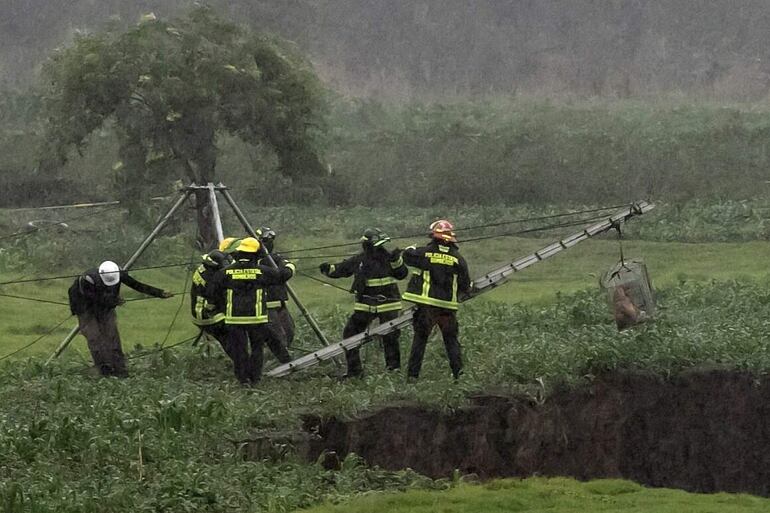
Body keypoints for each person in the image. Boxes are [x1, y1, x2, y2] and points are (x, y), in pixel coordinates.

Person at [320, 228, 408, 378]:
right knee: (350, 335)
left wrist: (397, 261)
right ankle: (355, 372)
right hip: (365, 306)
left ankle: (393, 371)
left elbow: (402, 274)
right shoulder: (360, 260)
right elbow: (342, 269)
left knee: (390, 338)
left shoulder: (389, 258)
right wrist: (328, 269)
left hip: (388, 305)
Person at [207, 237, 295, 384]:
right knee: (257, 350)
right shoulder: (261, 272)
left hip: (234, 320)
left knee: (239, 351)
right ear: (256, 254)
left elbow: (212, 293)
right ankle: (255, 379)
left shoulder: (225, 273)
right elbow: (282, 276)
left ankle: (243, 380)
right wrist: (289, 266)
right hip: (257, 319)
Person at [68, 260, 172, 377]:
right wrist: (114, 301)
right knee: (95, 337)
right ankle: (103, 370)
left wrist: (159, 293)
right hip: (84, 307)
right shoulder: (88, 279)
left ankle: (120, 370)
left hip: (106, 305)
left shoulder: (117, 273)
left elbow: (136, 285)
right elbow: (94, 299)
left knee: (112, 336)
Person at [402, 220, 471, 380]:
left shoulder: (424, 253)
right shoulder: (458, 258)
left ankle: (412, 378)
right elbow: (465, 285)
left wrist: (410, 248)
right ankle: (458, 376)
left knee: (420, 341)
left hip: (428, 307)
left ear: (433, 236)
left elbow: (407, 256)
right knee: (451, 342)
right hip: (447, 308)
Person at [258, 227, 295, 349]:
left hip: (280, 303)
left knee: (289, 331)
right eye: (265, 240)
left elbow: (286, 272)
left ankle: (285, 355)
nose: (269, 243)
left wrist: (287, 269)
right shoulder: (253, 261)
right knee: (278, 337)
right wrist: (278, 273)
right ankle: (280, 361)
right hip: (265, 306)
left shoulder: (275, 258)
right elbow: (281, 275)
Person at [190, 250, 231, 354]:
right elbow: (219, 299)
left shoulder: (202, 269)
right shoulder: (213, 279)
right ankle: (242, 364)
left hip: (198, 312)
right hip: (209, 316)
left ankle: (241, 363)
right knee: (232, 336)